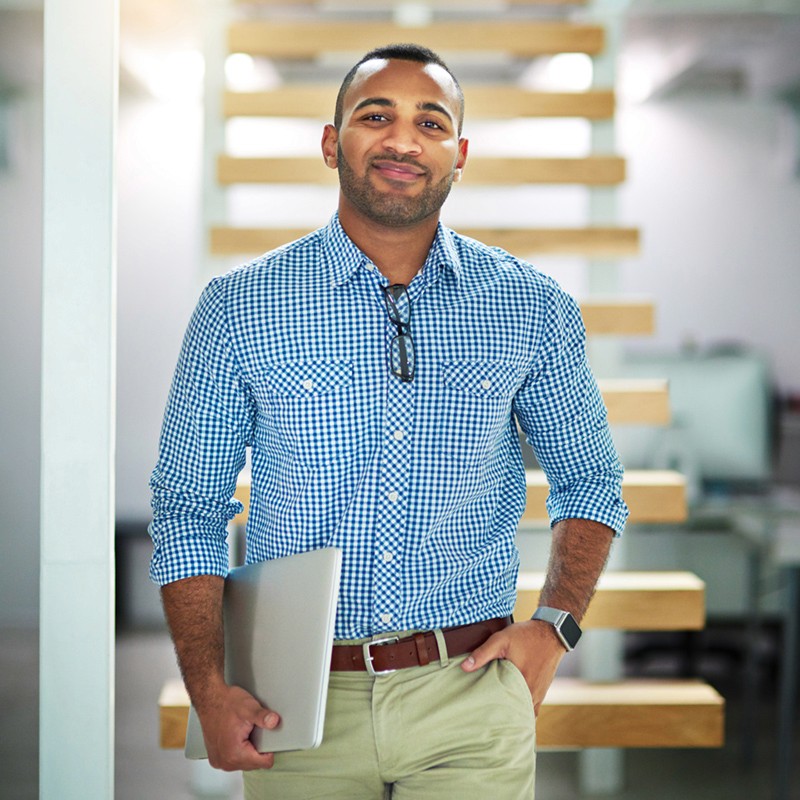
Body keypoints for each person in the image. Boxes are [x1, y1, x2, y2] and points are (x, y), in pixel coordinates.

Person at [149, 43, 628, 799]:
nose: (404, 140)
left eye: (430, 123)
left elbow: (592, 480)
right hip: (295, 707)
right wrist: (208, 686)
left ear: (459, 154)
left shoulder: (531, 308)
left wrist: (556, 626)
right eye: (377, 116)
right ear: (332, 141)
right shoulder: (239, 308)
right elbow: (188, 506)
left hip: (470, 697)